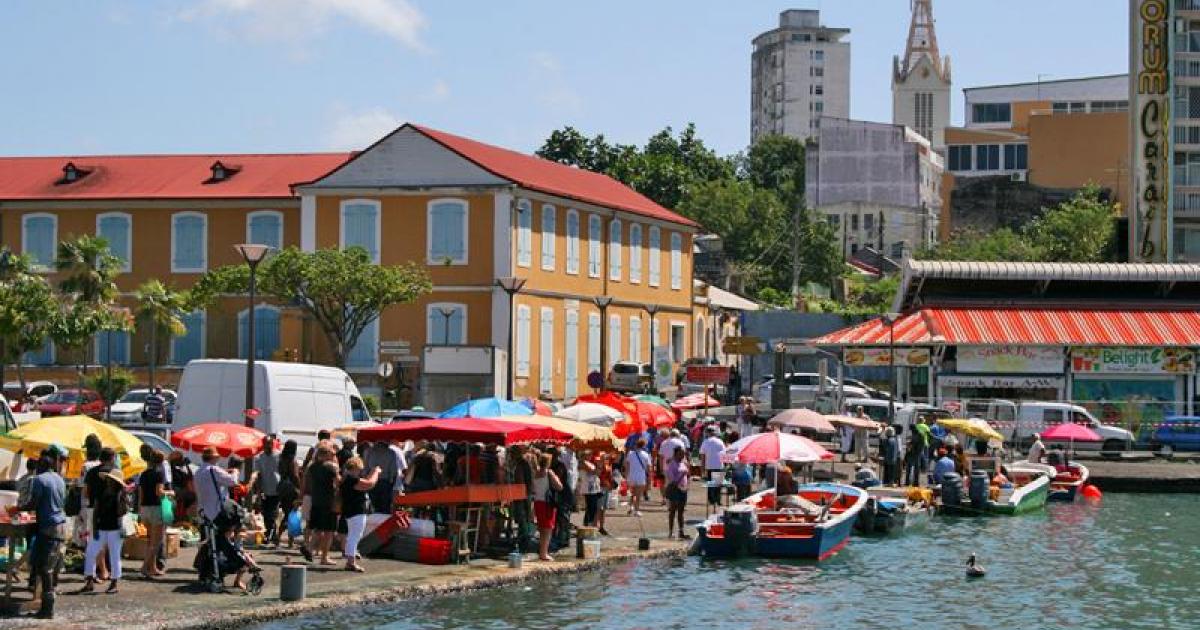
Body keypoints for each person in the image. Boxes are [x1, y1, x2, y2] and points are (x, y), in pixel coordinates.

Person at [23, 447, 68, 619]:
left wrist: (17, 508)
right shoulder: (60, 479)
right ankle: (46, 604)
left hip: (48, 527)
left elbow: (33, 503)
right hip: (61, 525)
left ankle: (47, 608)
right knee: (47, 566)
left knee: (44, 567)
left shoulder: (39, 480)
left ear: (40, 466)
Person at [81, 449, 124, 594]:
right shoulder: (119, 494)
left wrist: (95, 527)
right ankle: (112, 582)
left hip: (103, 524)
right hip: (111, 526)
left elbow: (88, 496)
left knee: (92, 552)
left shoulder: (94, 476)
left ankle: (90, 581)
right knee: (114, 554)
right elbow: (121, 513)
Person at [339, 457, 380, 572]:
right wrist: (376, 472)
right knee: (355, 536)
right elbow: (370, 484)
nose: (360, 472)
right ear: (355, 468)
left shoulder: (346, 479)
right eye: (359, 469)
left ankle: (349, 559)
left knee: (353, 535)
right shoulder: (351, 480)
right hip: (356, 511)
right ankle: (351, 562)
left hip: (350, 510)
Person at [137, 450, 173, 578]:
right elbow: (159, 492)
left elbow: (140, 494)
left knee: (150, 540)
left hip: (145, 508)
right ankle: (144, 567)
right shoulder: (160, 474)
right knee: (156, 541)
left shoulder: (144, 474)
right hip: (156, 508)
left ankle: (153, 567)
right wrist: (171, 493)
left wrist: (139, 510)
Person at [307, 446, 341, 566]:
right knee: (329, 531)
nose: (334, 457)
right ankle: (324, 557)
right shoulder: (331, 467)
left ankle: (310, 549)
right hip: (329, 501)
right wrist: (336, 468)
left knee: (318, 528)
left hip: (316, 500)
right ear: (325, 455)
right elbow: (338, 482)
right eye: (332, 454)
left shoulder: (312, 466)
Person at [531, 453, 563, 562]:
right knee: (548, 529)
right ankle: (544, 553)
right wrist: (557, 478)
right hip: (547, 502)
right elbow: (559, 487)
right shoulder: (548, 472)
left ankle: (542, 551)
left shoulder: (535, 473)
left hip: (537, 502)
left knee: (541, 528)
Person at [250, 436, 280, 548]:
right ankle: (273, 536)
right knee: (266, 514)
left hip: (277, 489)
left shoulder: (279, 455)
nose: (268, 446)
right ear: (263, 444)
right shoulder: (259, 457)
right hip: (265, 490)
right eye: (266, 444)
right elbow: (258, 474)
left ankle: (269, 536)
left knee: (271, 514)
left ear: (273, 444)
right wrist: (258, 492)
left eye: (270, 444)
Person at [363, 439, 406, 514]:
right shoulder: (391, 452)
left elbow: (365, 469)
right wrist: (391, 484)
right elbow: (394, 471)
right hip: (385, 482)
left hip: (372, 482)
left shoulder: (368, 451)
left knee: (374, 506)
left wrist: (366, 481)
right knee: (386, 507)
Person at [664, 446, 690, 540]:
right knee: (672, 511)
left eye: (683, 453)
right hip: (674, 489)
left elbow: (687, 476)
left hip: (683, 489)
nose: (682, 455)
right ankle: (670, 532)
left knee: (681, 511)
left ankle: (681, 532)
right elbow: (672, 480)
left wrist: (687, 485)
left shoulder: (683, 463)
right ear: (675, 454)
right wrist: (682, 474)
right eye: (680, 453)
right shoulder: (671, 465)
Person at [623, 438, 651, 517]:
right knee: (638, 495)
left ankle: (631, 507)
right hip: (641, 476)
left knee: (633, 493)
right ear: (643, 445)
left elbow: (627, 465)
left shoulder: (630, 454)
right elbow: (649, 468)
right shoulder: (646, 454)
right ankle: (636, 510)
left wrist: (626, 476)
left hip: (631, 476)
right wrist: (649, 478)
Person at [698, 426, 726, 506]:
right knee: (718, 484)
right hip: (719, 465)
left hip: (709, 465)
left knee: (710, 484)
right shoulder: (720, 441)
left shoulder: (705, 442)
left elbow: (702, 456)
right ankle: (718, 500)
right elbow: (724, 454)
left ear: (707, 433)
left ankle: (711, 500)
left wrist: (702, 469)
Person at [580, 456, 602, 527]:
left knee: (593, 508)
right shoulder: (583, 462)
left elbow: (598, 473)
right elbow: (592, 471)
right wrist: (598, 466)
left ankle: (588, 524)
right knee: (591, 507)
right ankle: (588, 524)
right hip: (588, 489)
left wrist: (598, 466)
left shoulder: (592, 464)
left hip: (594, 489)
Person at [595, 453, 613, 536]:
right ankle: (596, 526)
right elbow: (598, 475)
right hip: (600, 487)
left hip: (607, 488)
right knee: (599, 508)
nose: (606, 460)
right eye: (604, 458)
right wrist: (600, 466)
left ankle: (602, 526)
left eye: (606, 458)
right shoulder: (599, 465)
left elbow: (610, 476)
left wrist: (611, 484)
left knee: (604, 508)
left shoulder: (608, 465)